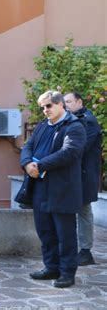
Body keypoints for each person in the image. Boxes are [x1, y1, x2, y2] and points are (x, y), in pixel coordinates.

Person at [20, 90, 86, 288]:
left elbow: (69, 152)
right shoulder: (42, 127)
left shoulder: (75, 126)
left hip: (63, 189)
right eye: (42, 107)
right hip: (40, 187)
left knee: (65, 234)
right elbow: (27, 147)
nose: (45, 110)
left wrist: (39, 165)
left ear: (60, 105)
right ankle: (51, 267)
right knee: (45, 231)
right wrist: (26, 164)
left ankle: (67, 273)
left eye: (48, 106)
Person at [64, 92, 102, 266]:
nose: (66, 105)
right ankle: (76, 249)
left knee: (84, 211)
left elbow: (81, 147)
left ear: (79, 101)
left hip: (84, 175)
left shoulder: (88, 121)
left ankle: (86, 252)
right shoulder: (74, 120)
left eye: (69, 102)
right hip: (75, 174)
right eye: (64, 102)